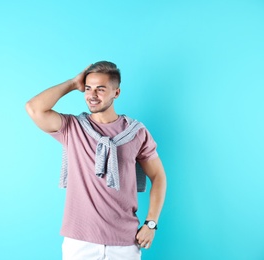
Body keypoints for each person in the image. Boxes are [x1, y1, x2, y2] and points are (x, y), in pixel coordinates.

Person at [25, 61, 166, 260]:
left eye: (100, 89)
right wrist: (73, 83)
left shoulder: (136, 132)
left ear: (116, 93)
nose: (92, 95)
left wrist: (151, 223)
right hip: (79, 241)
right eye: (88, 88)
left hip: (125, 242)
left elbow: (158, 176)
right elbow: (34, 108)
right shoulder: (72, 127)